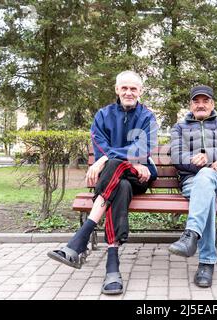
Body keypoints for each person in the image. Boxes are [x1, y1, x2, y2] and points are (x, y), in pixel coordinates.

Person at [47, 70, 158, 295]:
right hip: (118, 180)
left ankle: (81, 238)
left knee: (118, 169)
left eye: (133, 88)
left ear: (140, 92)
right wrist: (116, 159)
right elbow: (99, 143)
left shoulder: (148, 117)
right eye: (124, 88)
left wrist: (109, 159)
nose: (129, 92)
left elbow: (142, 148)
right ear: (117, 89)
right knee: (120, 186)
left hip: (140, 175)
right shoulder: (103, 115)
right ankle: (112, 267)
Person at [169, 85, 217, 288]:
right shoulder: (179, 128)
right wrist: (206, 164)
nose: (201, 105)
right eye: (196, 101)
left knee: (207, 178)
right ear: (190, 105)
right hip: (191, 181)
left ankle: (191, 236)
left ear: (212, 104)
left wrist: (210, 157)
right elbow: (176, 156)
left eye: (205, 101)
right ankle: (206, 262)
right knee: (205, 189)